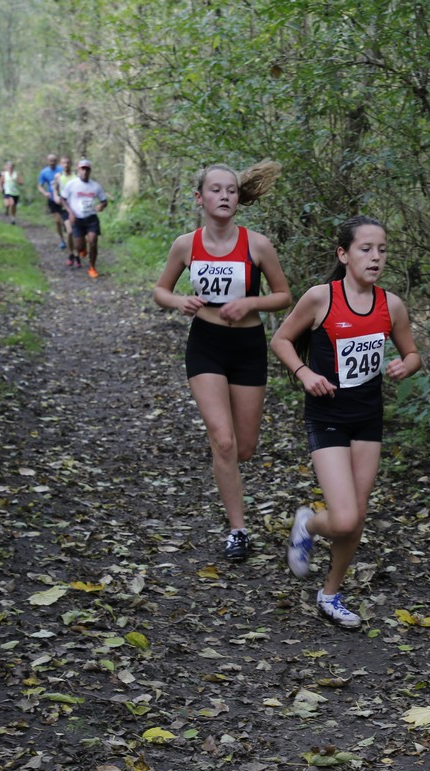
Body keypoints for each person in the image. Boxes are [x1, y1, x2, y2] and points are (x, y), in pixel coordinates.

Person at [270, 216, 422, 627]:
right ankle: (309, 523)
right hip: (328, 417)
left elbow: (412, 354)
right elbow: (281, 340)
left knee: (357, 516)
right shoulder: (321, 298)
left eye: (382, 250)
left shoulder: (391, 305)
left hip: (368, 420)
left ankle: (330, 595)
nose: (376, 257)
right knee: (343, 518)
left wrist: (405, 366)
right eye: (365, 249)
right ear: (343, 254)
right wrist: (304, 373)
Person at [152, 162, 292, 561]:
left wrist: (251, 303)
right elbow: (161, 291)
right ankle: (238, 530)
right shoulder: (186, 245)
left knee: (243, 448)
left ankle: (224, 462)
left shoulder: (257, 245)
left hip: (248, 346)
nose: (225, 196)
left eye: (231, 190)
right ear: (200, 198)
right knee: (223, 439)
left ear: (238, 198)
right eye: (216, 190)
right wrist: (179, 301)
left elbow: (283, 296)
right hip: (206, 345)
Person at [60, 158, 108, 278]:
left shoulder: (95, 186)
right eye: (82, 169)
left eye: (87, 169)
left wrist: (101, 206)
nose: (85, 172)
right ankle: (82, 247)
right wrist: (70, 212)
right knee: (78, 247)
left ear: (90, 171)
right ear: (78, 170)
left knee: (93, 241)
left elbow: (104, 201)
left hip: (91, 218)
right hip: (77, 219)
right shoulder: (72, 184)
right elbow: (63, 199)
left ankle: (92, 267)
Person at [37, 152, 68, 250]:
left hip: (64, 198)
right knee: (57, 221)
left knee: (66, 220)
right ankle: (62, 240)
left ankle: (68, 231)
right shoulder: (44, 172)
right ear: (47, 161)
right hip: (52, 198)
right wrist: (45, 193)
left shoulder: (61, 169)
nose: (52, 162)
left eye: (54, 161)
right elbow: (40, 186)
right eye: (51, 161)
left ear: (56, 161)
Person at [53, 158, 78, 266]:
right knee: (70, 232)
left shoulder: (76, 176)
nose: (66, 164)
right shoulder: (58, 176)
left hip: (77, 208)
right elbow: (55, 189)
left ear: (71, 164)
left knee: (78, 234)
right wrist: (56, 197)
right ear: (61, 164)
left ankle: (77, 256)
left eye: (68, 162)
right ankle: (71, 254)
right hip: (65, 208)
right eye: (64, 163)